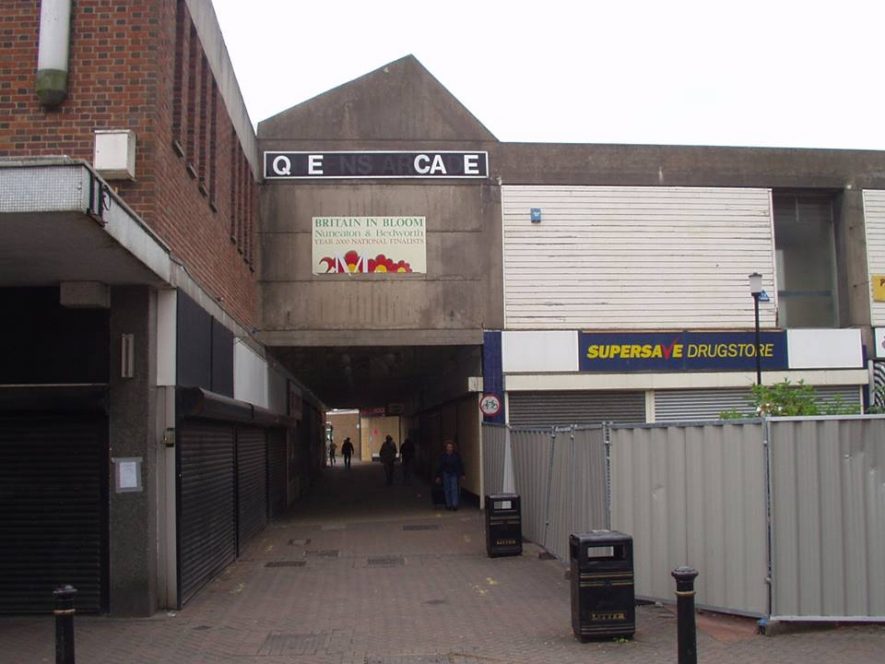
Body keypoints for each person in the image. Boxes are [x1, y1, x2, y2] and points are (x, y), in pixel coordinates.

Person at [435, 440, 465, 510]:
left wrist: (463, 474)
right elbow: (439, 466)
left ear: (453, 448)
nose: (449, 448)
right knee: (447, 489)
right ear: (446, 448)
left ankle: (454, 505)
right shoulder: (443, 456)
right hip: (446, 473)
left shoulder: (456, 455)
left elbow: (460, 464)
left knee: (454, 489)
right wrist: (438, 476)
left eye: (451, 447)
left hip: (454, 473)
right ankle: (448, 505)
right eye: (448, 447)